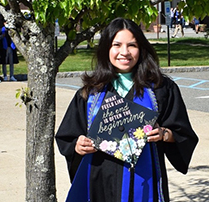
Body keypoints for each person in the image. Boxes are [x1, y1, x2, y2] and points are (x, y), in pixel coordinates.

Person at [56, 17, 198, 202]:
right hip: (100, 181)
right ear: (106, 48)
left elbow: (183, 134)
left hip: (144, 182)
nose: (124, 52)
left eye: (132, 45)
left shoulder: (161, 89)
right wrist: (78, 145)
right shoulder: (90, 93)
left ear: (141, 49)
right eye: (117, 45)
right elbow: (68, 137)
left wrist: (164, 134)